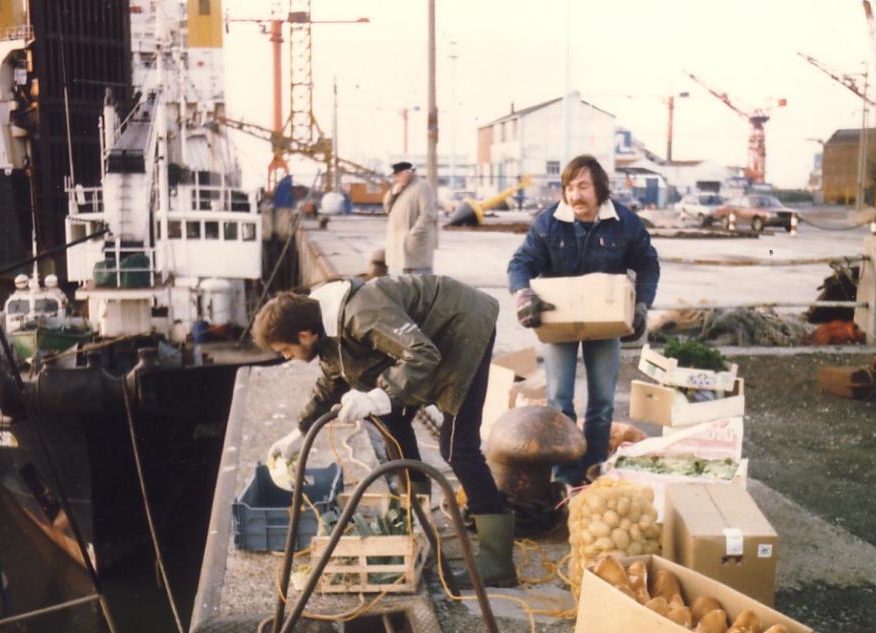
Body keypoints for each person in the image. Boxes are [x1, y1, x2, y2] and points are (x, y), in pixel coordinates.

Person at [254, 275, 517, 587]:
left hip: (464, 324)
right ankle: (416, 517)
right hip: (431, 334)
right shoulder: (322, 326)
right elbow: (331, 382)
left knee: (458, 449)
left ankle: (497, 563)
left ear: (305, 335)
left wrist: (376, 396)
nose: (285, 357)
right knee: (393, 422)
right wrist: (299, 432)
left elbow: (422, 353)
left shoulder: (361, 314)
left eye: (285, 350)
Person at [507, 154, 660, 487]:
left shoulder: (625, 223)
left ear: (600, 188)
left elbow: (648, 264)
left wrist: (642, 305)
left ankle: (593, 473)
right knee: (560, 401)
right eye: (568, 187)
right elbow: (520, 264)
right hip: (558, 321)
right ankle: (565, 478)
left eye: (583, 187)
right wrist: (523, 295)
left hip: (605, 323)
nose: (574, 195)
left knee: (602, 402)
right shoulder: (548, 223)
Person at [383, 161, 437, 275]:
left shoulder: (422, 187)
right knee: (408, 285)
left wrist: (412, 235)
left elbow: (428, 215)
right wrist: (393, 194)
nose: (395, 178)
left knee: (422, 283)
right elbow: (387, 209)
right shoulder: (401, 187)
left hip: (415, 246)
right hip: (402, 247)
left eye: (397, 175)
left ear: (406, 173)